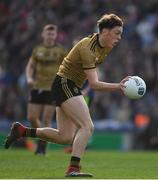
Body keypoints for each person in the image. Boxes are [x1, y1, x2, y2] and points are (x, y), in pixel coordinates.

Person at [5, 14, 129, 177]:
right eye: (117, 33)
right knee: (87, 126)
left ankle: (22, 131)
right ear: (105, 32)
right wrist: (118, 87)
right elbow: (94, 84)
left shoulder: (106, 47)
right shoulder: (87, 47)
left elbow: (90, 73)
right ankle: (73, 168)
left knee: (65, 136)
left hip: (69, 85)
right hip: (65, 83)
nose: (119, 37)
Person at [26, 24, 66, 155]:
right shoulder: (38, 49)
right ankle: (42, 138)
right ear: (43, 35)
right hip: (37, 86)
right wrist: (29, 77)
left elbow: (66, 67)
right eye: (48, 34)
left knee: (47, 119)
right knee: (32, 117)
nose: (50, 36)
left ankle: (42, 146)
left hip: (52, 88)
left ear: (55, 36)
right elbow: (30, 66)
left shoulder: (60, 50)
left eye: (52, 34)